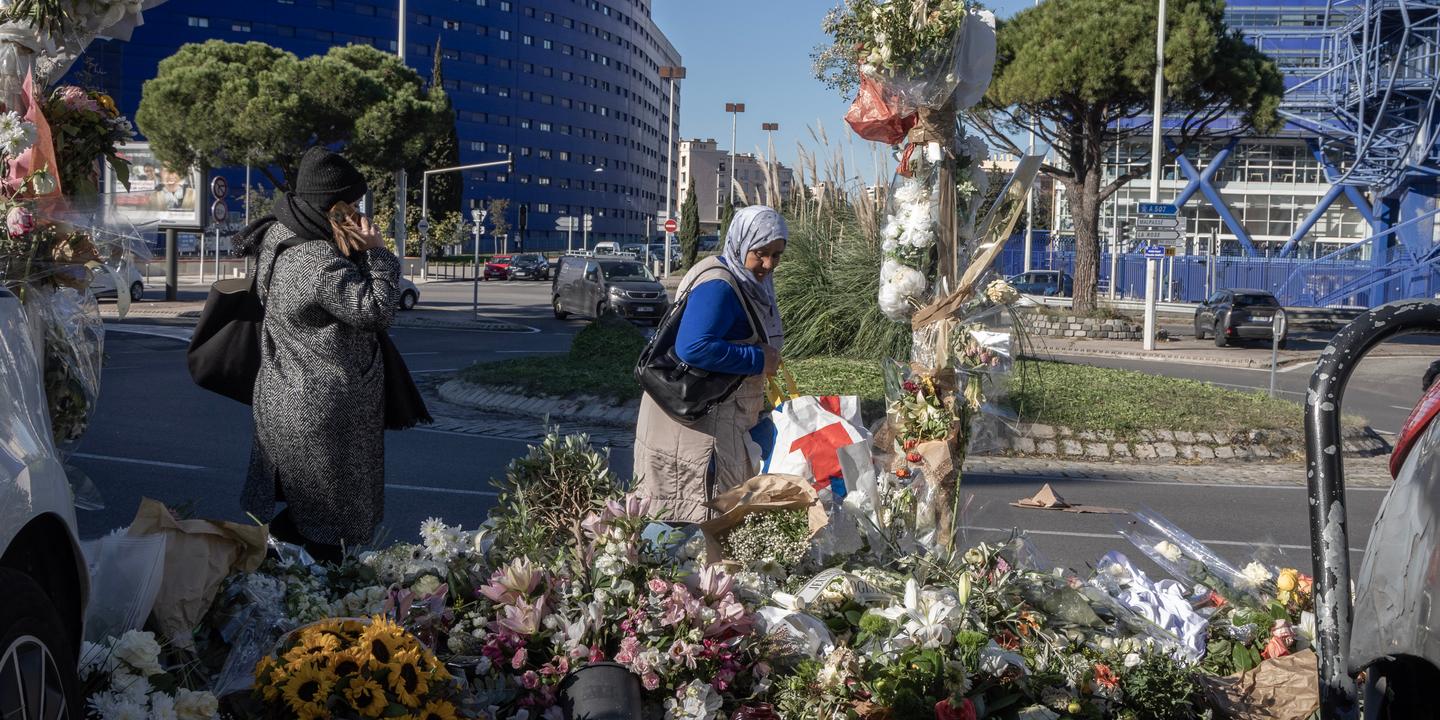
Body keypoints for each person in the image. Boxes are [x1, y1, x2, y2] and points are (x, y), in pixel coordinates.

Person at [234, 146, 400, 562]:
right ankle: (270, 575)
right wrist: (378, 253)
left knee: (308, 514)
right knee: (328, 526)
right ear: (334, 207)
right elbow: (375, 310)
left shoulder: (279, 234)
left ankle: (262, 566)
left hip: (285, 391)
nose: (360, 213)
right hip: (322, 406)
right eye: (353, 205)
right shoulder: (317, 259)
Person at [634, 205, 786, 522]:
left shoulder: (739, 279)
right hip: (695, 428)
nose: (769, 264)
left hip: (700, 420)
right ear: (741, 243)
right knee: (678, 520)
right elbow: (694, 347)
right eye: (760, 253)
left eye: (776, 255)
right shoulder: (721, 286)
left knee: (686, 518)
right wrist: (759, 359)